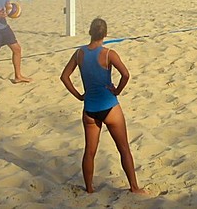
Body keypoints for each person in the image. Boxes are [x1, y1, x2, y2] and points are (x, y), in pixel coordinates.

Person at [59, 18, 148, 195]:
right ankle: (134, 187)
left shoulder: (79, 54)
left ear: (90, 32)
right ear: (105, 34)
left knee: (89, 152)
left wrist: (79, 96)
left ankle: (90, 188)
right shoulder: (108, 54)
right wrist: (117, 91)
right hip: (109, 106)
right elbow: (126, 75)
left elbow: (64, 77)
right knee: (123, 149)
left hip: (90, 109)